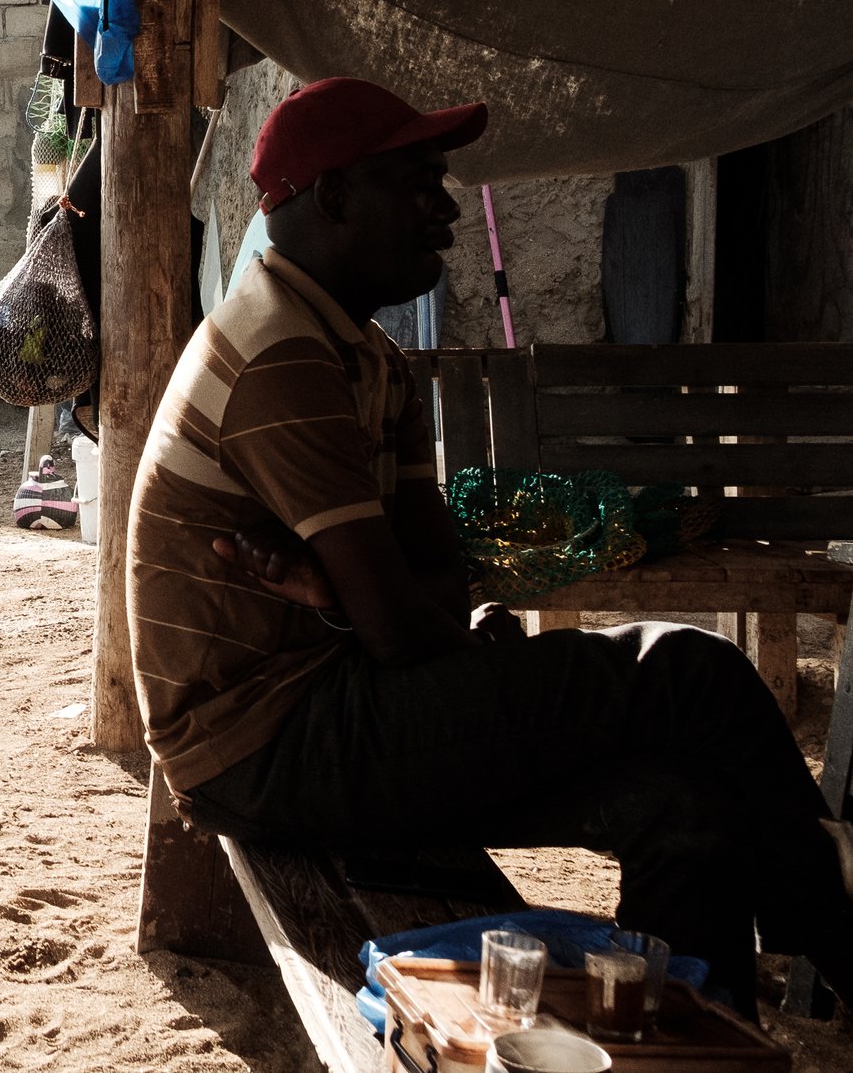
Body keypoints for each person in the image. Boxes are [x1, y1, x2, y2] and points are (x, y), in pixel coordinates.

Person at [129, 76, 853, 1015]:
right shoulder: (281, 354)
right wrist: (381, 607)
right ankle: (836, 932)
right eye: (417, 180)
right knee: (689, 669)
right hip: (275, 748)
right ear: (334, 196)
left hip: (343, 707)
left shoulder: (365, 356)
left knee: (686, 812)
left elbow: (438, 577)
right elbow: (403, 627)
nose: (446, 206)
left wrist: (344, 593)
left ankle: (692, 1037)